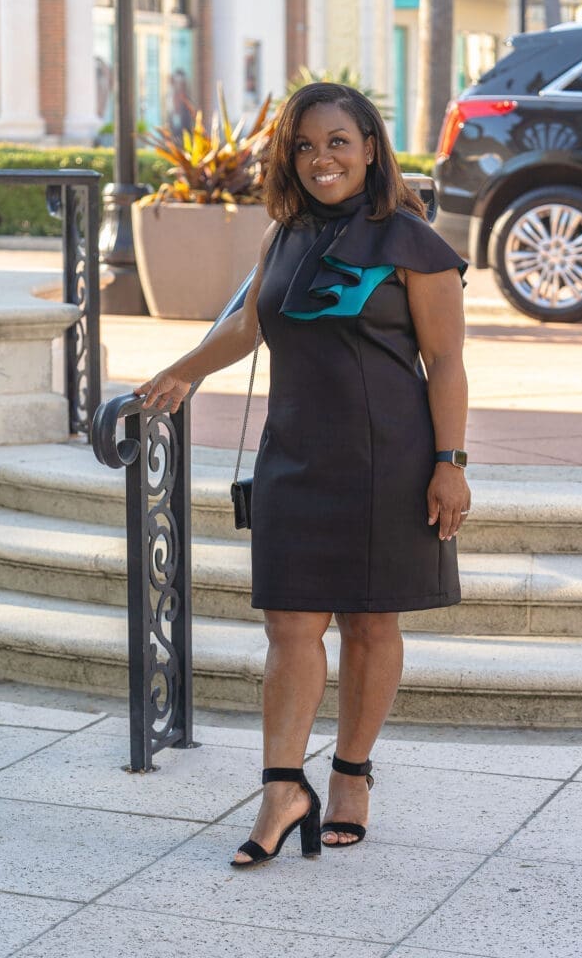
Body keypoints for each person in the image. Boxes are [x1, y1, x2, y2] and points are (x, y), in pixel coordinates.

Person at [134, 83, 471, 868]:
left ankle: (349, 775)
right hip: (293, 454)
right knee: (289, 626)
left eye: (337, 142)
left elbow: (447, 361)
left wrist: (449, 463)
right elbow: (249, 323)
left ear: (369, 148)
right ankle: (283, 788)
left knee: (370, 622)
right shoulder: (282, 234)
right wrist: (179, 373)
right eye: (305, 145)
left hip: (389, 457)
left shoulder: (411, 241)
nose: (321, 159)